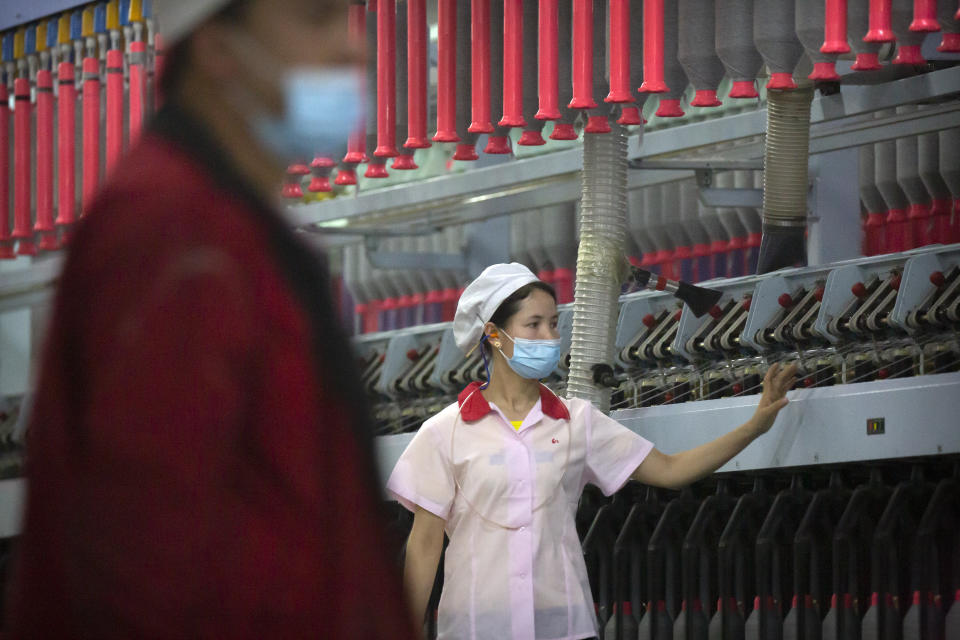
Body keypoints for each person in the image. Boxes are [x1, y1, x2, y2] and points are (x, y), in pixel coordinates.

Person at [4, 0, 416, 637]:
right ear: (218, 46)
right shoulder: (172, 234)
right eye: (316, 19)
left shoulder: (234, 228)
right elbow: (144, 564)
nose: (354, 50)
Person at [387, 263, 797, 640]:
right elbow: (424, 545)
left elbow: (670, 469)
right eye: (534, 325)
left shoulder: (576, 421)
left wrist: (754, 427)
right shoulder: (446, 432)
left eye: (553, 325)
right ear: (494, 335)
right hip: (477, 629)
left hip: (565, 627)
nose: (550, 338)